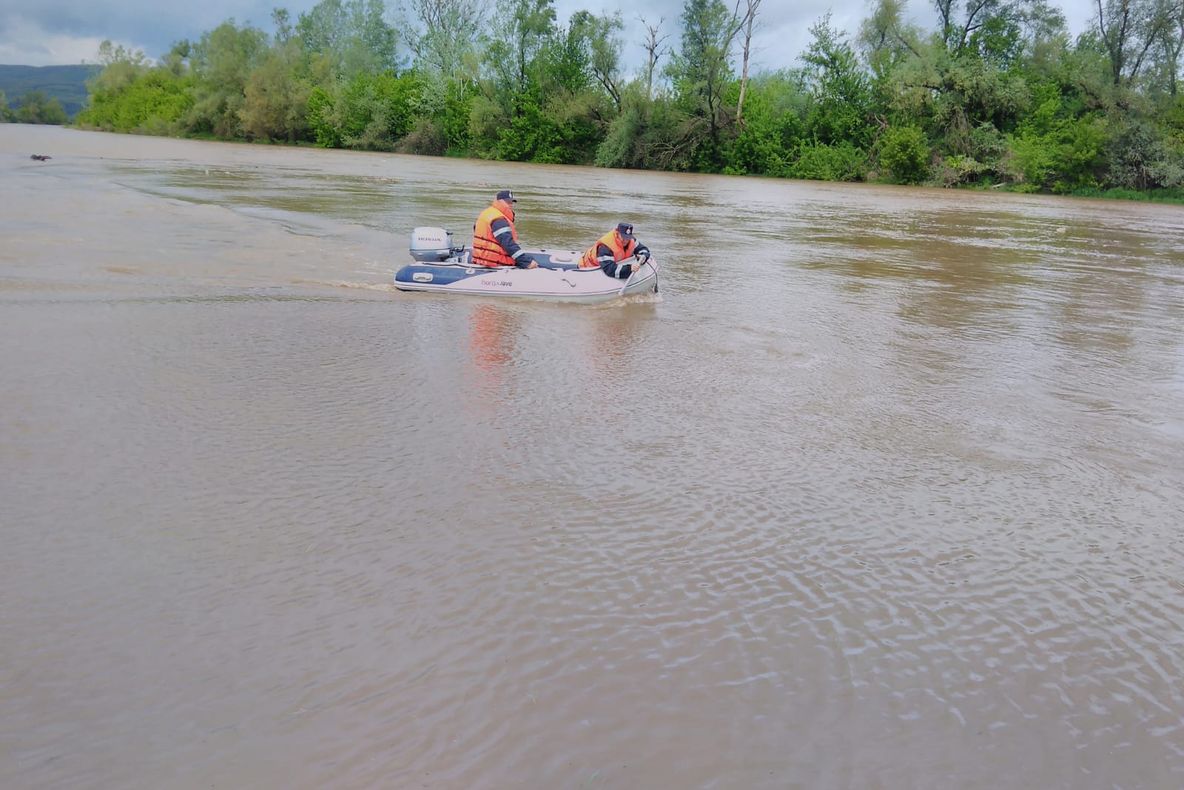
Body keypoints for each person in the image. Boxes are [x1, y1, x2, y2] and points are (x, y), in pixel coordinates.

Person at [471, 189, 538, 269]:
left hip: (481, 258)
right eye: (507, 202)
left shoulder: (487, 213)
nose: (510, 204)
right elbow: (507, 243)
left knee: (529, 257)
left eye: (511, 202)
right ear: (499, 201)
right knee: (531, 260)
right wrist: (526, 262)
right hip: (494, 261)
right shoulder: (499, 219)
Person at [578, 222, 651, 279]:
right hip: (588, 266)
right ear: (617, 233)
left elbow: (643, 249)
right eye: (623, 237)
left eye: (628, 237)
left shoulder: (631, 240)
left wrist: (643, 257)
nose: (625, 240)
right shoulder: (605, 246)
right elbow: (610, 270)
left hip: (611, 264)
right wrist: (629, 269)